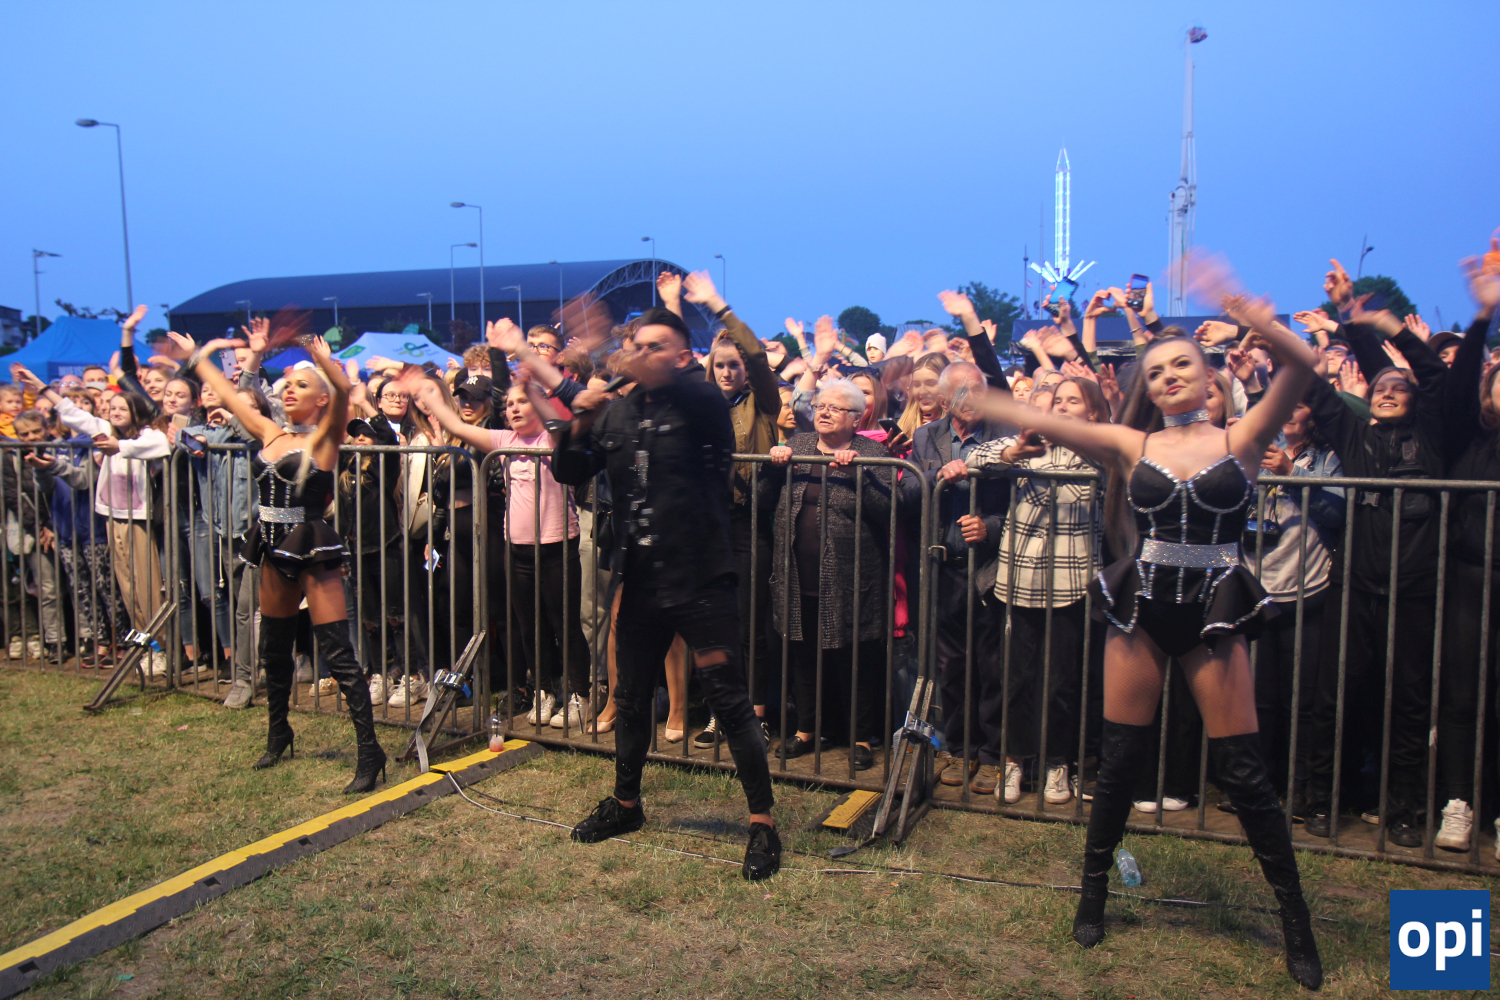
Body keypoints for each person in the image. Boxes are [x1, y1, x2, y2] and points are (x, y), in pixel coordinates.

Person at [975, 285, 1322, 990]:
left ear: (1208, 374)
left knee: (1244, 771)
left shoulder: (1242, 440)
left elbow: (1304, 365)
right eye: (1156, 370)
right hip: (1143, 608)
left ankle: (1296, 922)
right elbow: (1038, 417)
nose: (1168, 377)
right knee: (1120, 759)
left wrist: (1254, 317)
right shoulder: (1132, 444)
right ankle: (1092, 895)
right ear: (1147, 387)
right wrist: (973, 390)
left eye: (1182, 364)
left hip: (1214, 610)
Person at [551, 306, 781, 881]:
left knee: (729, 702)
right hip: (642, 577)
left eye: (657, 346)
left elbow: (676, 387)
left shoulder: (700, 400)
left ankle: (762, 824)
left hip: (702, 577)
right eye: (638, 344)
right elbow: (569, 469)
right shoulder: (620, 410)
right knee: (631, 698)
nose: (644, 354)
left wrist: (604, 370)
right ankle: (626, 804)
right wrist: (579, 417)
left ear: (683, 357)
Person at [193, 334, 387, 793]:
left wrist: (323, 362)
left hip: (311, 547)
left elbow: (343, 391)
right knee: (274, 648)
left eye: (302, 385)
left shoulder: (326, 438)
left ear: (320, 398)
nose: (291, 391)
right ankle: (279, 732)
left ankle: (369, 750)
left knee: (338, 652)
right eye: (288, 386)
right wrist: (198, 357)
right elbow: (226, 394)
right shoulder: (270, 433)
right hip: (270, 546)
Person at [966, 377, 1108, 805]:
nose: (1062, 406)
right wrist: (1014, 452)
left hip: (1072, 580)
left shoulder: (1101, 448)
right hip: (1021, 577)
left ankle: (1056, 763)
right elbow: (975, 456)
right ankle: (1014, 760)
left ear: (1093, 411)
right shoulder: (1031, 441)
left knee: (1062, 682)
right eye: (1057, 400)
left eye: (1072, 400)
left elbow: (1117, 469)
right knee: (1016, 678)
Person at [765, 379, 894, 771]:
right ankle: (806, 730)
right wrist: (772, 466)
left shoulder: (872, 452)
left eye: (835, 408)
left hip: (851, 576)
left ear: (856, 418)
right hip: (796, 572)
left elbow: (889, 509)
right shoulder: (800, 444)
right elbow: (763, 498)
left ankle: (861, 737)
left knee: (854, 659)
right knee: (803, 654)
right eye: (820, 405)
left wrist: (858, 475)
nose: (823, 412)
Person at [25, 364, 172, 677]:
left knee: (146, 589)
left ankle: (161, 648)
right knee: (128, 591)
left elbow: (160, 445)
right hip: (111, 519)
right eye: (112, 408)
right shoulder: (105, 431)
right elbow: (73, 415)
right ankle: (146, 647)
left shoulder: (146, 435)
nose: (115, 412)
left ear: (135, 412)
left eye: (122, 408)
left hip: (139, 522)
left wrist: (119, 447)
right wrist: (42, 387)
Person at [1430, 259, 1500, 854]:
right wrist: (1482, 317)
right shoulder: (1467, 439)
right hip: (1470, 582)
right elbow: (1453, 391)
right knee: (1460, 698)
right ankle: (1459, 804)